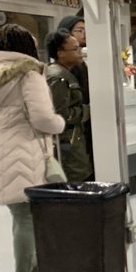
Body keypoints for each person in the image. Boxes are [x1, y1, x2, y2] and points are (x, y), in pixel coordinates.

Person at [0, 25, 64, 272]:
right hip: (24, 155)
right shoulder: (29, 75)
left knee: (20, 217)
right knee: (28, 220)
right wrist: (58, 123)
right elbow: (42, 119)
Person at [46, 30, 93, 181]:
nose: (80, 52)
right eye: (75, 49)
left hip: (74, 141)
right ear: (60, 53)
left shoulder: (67, 74)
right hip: (66, 144)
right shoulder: (57, 77)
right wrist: (89, 110)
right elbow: (61, 114)